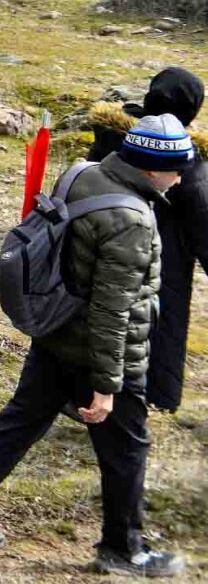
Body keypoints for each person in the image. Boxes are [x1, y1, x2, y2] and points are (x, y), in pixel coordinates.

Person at [0, 112, 194, 578]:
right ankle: (123, 549)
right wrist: (108, 386)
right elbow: (114, 310)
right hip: (102, 351)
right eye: (178, 167)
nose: (181, 177)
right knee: (127, 449)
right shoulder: (132, 220)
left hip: (55, 333)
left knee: (19, 423)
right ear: (153, 167)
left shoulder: (83, 172)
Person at [89, 68, 207, 416]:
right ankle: (147, 403)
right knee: (155, 331)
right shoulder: (187, 162)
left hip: (98, 251)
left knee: (101, 322)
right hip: (162, 264)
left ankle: (85, 395)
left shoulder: (112, 139)